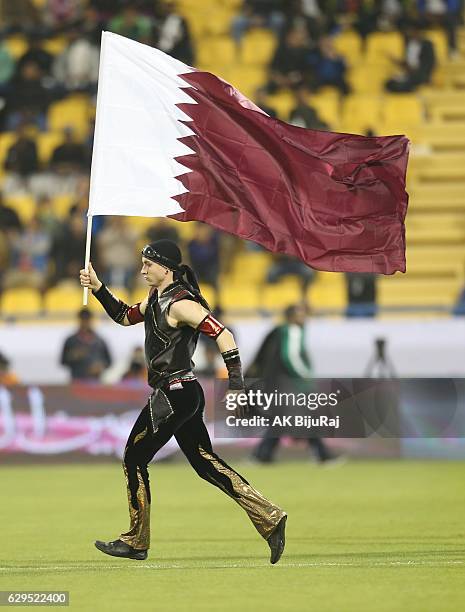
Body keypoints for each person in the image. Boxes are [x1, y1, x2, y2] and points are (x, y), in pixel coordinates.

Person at [80, 239, 287, 563]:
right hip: (184, 393)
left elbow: (224, 334)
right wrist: (98, 287)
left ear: (167, 268)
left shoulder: (179, 303)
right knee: (206, 463)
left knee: (134, 458)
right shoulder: (156, 298)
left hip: (174, 393)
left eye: (148, 264)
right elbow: (123, 315)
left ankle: (136, 540)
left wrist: (236, 385)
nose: (143, 269)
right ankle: (270, 516)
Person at [248, 303, 337, 464]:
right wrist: (304, 375)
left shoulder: (279, 331)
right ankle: (322, 455)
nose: (303, 318)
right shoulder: (293, 330)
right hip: (290, 384)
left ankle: (262, 455)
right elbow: (290, 356)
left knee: (284, 420)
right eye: (300, 314)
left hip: (276, 384)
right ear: (291, 317)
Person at [60, 308, 112, 381]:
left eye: (87, 319)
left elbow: (109, 361)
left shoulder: (100, 341)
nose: (85, 322)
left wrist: (101, 366)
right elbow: (62, 361)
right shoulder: (71, 341)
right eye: (83, 319)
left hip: (96, 381)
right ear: (79, 320)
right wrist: (73, 356)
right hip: (77, 380)